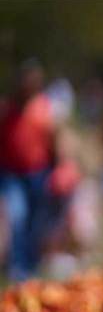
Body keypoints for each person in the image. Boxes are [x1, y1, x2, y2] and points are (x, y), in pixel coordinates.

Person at [0, 60, 56, 281]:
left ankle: (32, 264)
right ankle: (18, 268)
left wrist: (59, 165)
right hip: (11, 173)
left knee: (35, 220)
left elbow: (53, 140)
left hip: (38, 172)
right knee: (17, 216)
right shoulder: (7, 109)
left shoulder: (44, 107)